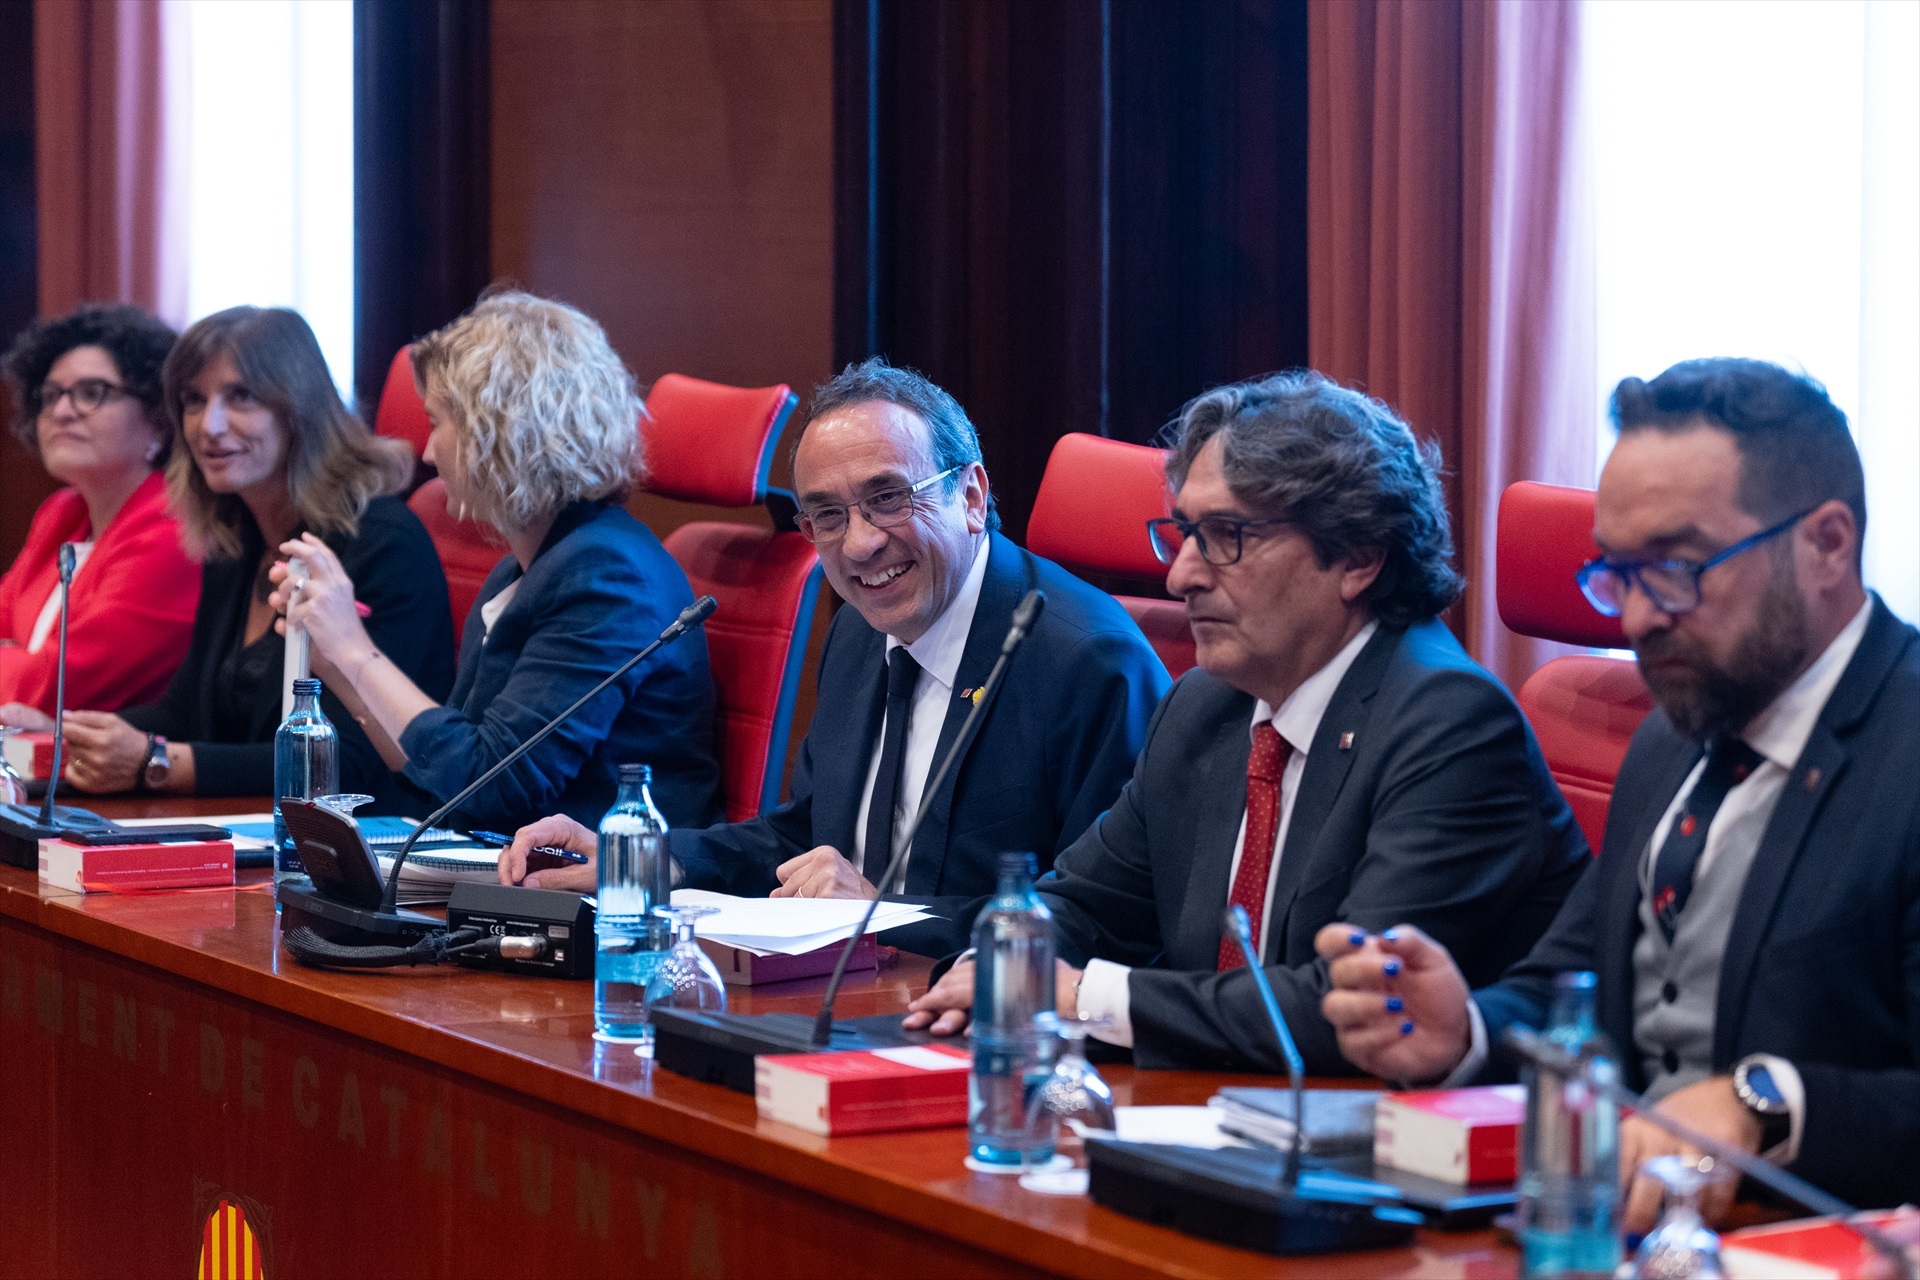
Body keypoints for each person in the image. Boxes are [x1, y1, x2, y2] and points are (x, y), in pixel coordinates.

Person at [1317, 359, 1920, 1225]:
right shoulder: (1667, 741)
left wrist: (1767, 1105)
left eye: (1675, 568)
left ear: (1826, 543)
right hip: (1614, 1228)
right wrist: (1463, 1031)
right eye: (1617, 574)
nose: (1634, 619)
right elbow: (1576, 987)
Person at [904, 371, 1589, 1071]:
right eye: (1184, 534)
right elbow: (1084, 905)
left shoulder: (1450, 725)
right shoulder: (1205, 707)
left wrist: (1083, 994)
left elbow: (1356, 1010)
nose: (1182, 576)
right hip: (1205, 1118)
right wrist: (1001, 964)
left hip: (1386, 1144)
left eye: (1226, 536)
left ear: (1358, 557)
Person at [498, 358, 1169, 956]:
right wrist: (640, 857)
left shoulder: (1090, 665)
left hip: (992, 1033)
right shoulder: (859, 630)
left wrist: (886, 918)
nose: (858, 546)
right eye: (826, 516)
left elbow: (1101, 926)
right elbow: (804, 840)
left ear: (970, 496)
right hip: (845, 998)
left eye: (888, 499)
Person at [273, 291, 722, 831]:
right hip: (508, 877)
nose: (428, 452)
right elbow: (438, 774)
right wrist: (331, 660)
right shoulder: (521, 571)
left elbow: (489, 786)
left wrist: (353, 647)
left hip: (604, 893)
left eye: (437, 422)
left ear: (499, 433)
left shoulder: (607, 577)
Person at [55, 306, 454, 802]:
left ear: (298, 409)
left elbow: (347, 762)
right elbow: (186, 714)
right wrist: (65, 735)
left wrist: (156, 763)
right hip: (251, 833)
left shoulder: (383, 541)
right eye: (194, 401)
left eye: (240, 396)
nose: (209, 426)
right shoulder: (237, 541)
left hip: (369, 851)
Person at [0, 305, 199, 724]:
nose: (62, 411)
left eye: (92, 392)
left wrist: (19, 654)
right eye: (51, 395)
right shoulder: (61, 514)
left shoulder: (175, 530)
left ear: (159, 419)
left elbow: (49, 688)